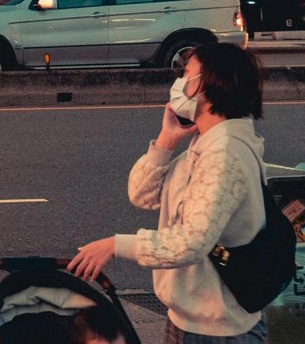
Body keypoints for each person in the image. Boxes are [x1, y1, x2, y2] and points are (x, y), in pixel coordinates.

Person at [68, 42, 269, 341]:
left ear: (208, 84)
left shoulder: (225, 153)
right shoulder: (204, 144)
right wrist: (166, 140)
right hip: (190, 317)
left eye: (186, 73)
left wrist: (115, 245)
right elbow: (142, 194)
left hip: (218, 329)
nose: (178, 83)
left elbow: (192, 242)